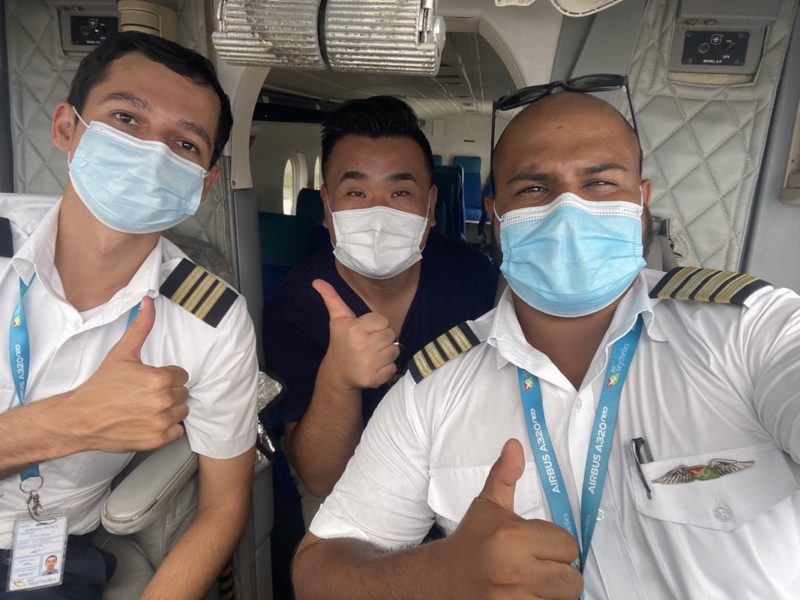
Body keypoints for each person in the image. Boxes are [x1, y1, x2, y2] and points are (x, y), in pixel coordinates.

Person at [291, 79, 800, 599]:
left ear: (641, 202)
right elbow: (319, 570)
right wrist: (440, 574)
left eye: (599, 183)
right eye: (534, 188)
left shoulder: (751, 331)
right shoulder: (432, 388)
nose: (568, 210)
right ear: (496, 214)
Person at [0, 32, 258, 599]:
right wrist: (74, 420)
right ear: (67, 128)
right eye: (126, 119)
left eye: (186, 145)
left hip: (53, 559)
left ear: (203, 185)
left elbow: (223, 507)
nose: (152, 154)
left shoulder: (213, 320)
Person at [263, 96, 498, 524]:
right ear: (328, 207)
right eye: (356, 192)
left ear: (430, 207)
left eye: (400, 191)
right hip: (353, 488)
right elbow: (320, 479)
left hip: (456, 472)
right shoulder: (295, 306)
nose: (378, 211)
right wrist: (338, 378)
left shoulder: (472, 275)